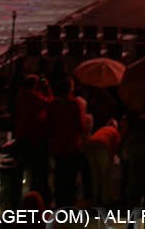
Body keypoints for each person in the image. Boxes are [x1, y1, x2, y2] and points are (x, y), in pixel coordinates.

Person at [47, 77, 91, 206]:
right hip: (72, 144)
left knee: (59, 175)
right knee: (70, 176)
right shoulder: (74, 104)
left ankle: (59, 201)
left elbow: (49, 125)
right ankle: (69, 202)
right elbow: (80, 125)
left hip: (57, 145)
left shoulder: (52, 104)